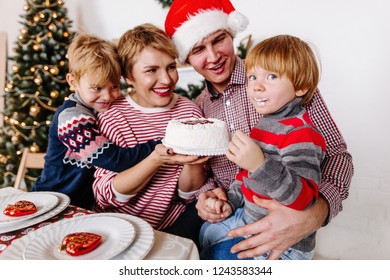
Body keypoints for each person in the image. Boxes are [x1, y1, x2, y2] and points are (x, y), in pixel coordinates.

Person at [165, 0, 354, 259]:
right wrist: (211, 196)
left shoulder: (285, 81)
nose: (213, 56)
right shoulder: (198, 109)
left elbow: (337, 155)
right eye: (198, 49)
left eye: (219, 40)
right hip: (234, 211)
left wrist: (316, 212)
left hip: (284, 215)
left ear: (231, 34)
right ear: (187, 58)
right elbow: (204, 172)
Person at [199, 35, 326, 260]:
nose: (257, 86)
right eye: (253, 77)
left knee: (216, 255)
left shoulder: (302, 133)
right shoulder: (264, 124)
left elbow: (303, 199)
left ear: (301, 86)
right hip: (249, 214)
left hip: (287, 242)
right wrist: (231, 201)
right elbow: (245, 176)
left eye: (272, 76)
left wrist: (259, 164)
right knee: (207, 233)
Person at [92, 23, 212, 244]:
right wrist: (156, 159)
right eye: (151, 70)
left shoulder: (189, 111)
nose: (166, 80)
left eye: (171, 67)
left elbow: (187, 194)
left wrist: (193, 159)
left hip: (172, 224)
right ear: (128, 76)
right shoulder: (113, 115)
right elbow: (105, 194)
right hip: (118, 226)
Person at [32, 33, 159, 210]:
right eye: (97, 88)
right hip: (52, 202)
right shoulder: (72, 118)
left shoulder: (100, 108)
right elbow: (115, 160)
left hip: (79, 205)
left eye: (114, 86)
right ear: (73, 82)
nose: (108, 96)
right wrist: (159, 145)